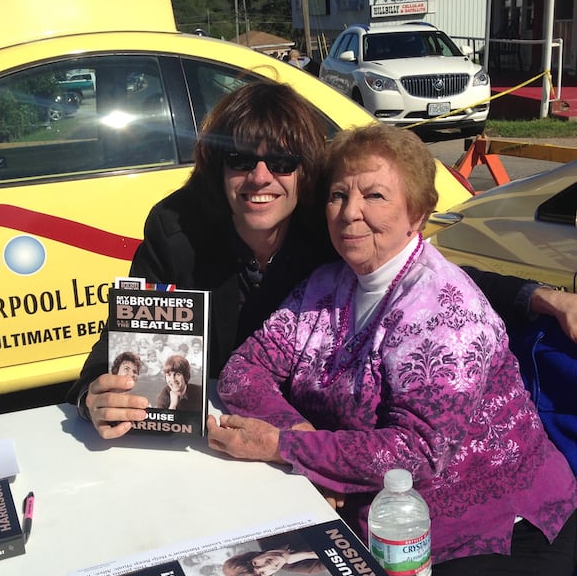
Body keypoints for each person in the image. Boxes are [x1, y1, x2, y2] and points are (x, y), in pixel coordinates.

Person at [208, 123, 577, 576]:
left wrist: (283, 446)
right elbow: (244, 371)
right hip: (383, 520)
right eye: (338, 195)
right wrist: (301, 434)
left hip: (496, 532)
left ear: (417, 213)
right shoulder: (328, 285)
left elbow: (416, 453)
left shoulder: (443, 309)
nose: (350, 212)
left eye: (375, 195)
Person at [70, 80, 577, 440]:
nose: (261, 177)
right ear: (217, 168)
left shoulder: (331, 223)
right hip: (217, 427)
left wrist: (539, 297)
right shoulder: (177, 230)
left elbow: (425, 279)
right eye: (240, 159)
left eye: (282, 161)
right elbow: (123, 341)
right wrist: (94, 393)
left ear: (304, 171)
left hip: (309, 431)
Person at [223, 547, 323, 576]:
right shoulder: (308, 568)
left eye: (255, 563)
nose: (267, 566)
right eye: (262, 573)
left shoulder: (269, 534)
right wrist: (309, 554)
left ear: (253, 555)